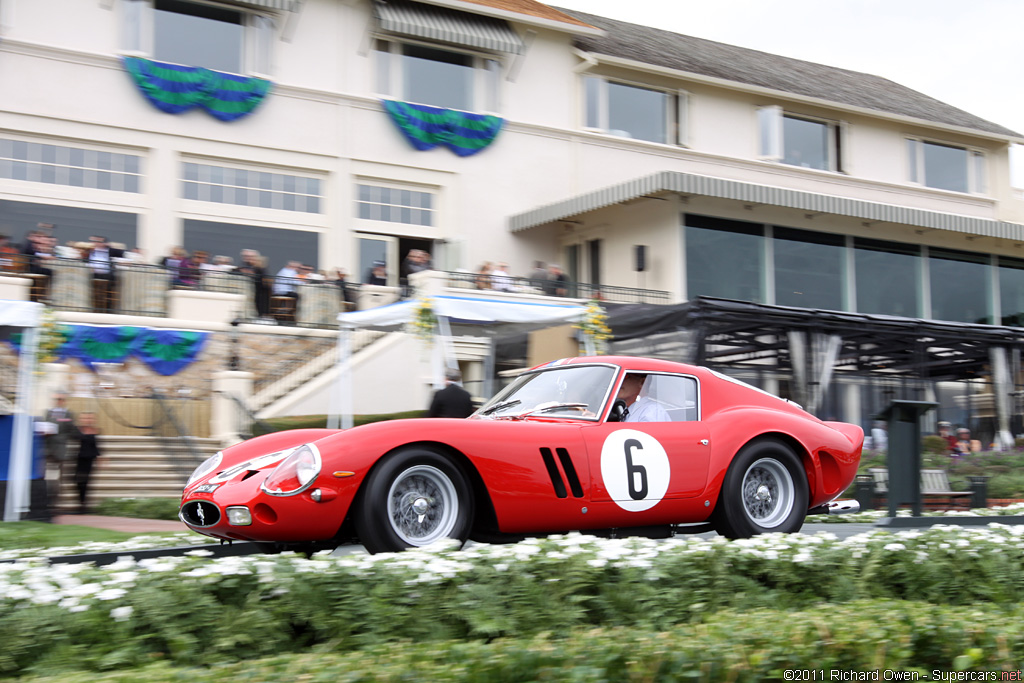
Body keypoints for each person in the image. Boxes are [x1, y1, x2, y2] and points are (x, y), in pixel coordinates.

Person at [43, 393, 76, 508]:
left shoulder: (68, 414)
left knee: (59, 478)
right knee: (47, 476)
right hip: (48, 449)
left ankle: (56, 502)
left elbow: (70, 429)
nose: (58, 401)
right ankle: (46, 499)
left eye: (61, 399)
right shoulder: (48, 412)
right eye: (56, 399)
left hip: (61, 450)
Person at [72, 411, 102, 514]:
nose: (87, 420)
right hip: (79, 458)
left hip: (89, 459)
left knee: (86, 482)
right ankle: (81, 501)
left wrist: (100, 458)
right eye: (85, 418)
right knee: (77, 481)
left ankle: (83, 505)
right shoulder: (78, 430)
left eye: (89, 418)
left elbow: (96, 446)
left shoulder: (95, 431)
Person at [86, 235, 124, 312]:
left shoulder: (110, 250)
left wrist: (110, 246)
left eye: (100, 242)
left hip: (106, 275)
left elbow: (122, 253)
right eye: (96, 241)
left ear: (105, 243)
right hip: (92, 274)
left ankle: (108, 309)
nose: (97, 243)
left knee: (109, 288)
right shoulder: (89, 250)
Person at [238, 249, 269, 318]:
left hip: (259, 290)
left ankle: (259, 316)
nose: (248, 258)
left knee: (259, 304)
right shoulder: (245, 266)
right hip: (254, 290)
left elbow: (261, 277)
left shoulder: (259, 268)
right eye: (246, 256)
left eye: (250, 257)